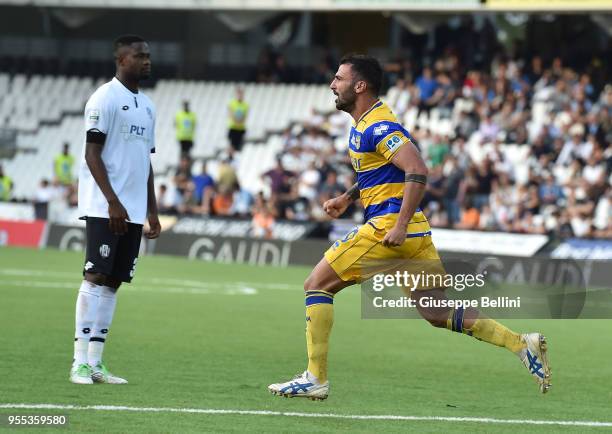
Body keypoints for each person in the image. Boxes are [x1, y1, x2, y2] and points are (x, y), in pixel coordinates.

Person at [268, 54, 551, 401]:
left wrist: (398, 225)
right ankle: (521, 344)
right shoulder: (365, 125)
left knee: (317, 286)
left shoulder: (379, 127)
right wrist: (348, 196)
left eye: (339, 79)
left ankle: (316, 377)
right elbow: (383, 172)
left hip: (390, 229)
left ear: (360, 86)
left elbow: (417, 169)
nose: (332, 84)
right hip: (413, 233)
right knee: (436, 311)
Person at [71, 35, 161, 385]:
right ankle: (78, 362)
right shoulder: (104, 98)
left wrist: (152, 211)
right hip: (105, 206)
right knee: (94, 276)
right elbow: (92, 153)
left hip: (134, 210)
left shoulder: (148, 105)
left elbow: (146, 163)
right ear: (122, 59)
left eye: (148, 56)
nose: (147, 61)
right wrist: (111, 201)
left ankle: (96, 362)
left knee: (113, 282)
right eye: (140, 56)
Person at [227, 87, 249, 152]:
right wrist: (236, 122)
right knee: (232, 145)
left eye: (241, 94)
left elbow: (245, 116)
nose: (240, 95)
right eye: (239, 94)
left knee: (239, 147)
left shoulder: (245, 105)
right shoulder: (232, 103)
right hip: (233, 128)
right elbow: (230, 115)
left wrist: (239, 123)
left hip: (241, 128)